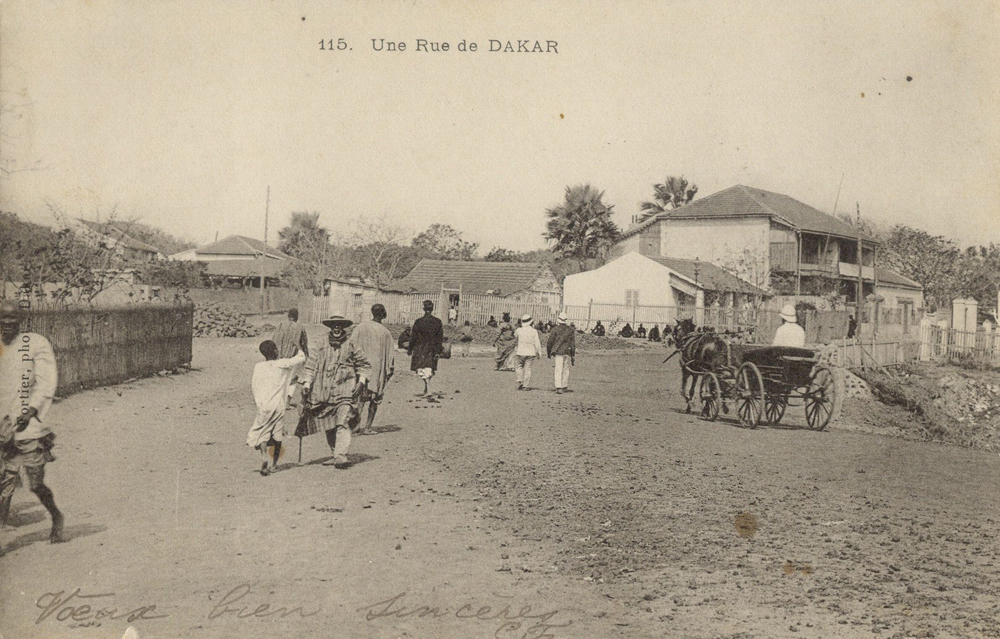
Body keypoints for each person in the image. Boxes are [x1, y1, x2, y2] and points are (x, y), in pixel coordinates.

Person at [0, 300, 63, 554]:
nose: (6, 325)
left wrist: (32, 410)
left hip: (27, 426)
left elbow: (47, 382)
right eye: (2, 320)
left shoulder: (35, 344)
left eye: (11, 320)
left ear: (21, 320)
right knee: (4, 482)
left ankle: (56, 515)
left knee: (35, 484)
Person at [297, 316, 371, 468]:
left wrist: (361, 381)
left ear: (343, 327)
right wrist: (306, 383)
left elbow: (364, 364)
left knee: (342, 421)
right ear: (331, 328)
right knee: (329, 424)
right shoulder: (320, 343)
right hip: (324, 391)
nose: (336, 329)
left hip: (346, 389)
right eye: (334, 326)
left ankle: (341, 455)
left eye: (339, 326)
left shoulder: (351, 344)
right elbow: (310, 365)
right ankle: (334, 453)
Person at [246, 340, 305, 475]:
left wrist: (259, 402)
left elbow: (255, 385)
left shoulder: (258, 367)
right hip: (278, 405)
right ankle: (274, 464)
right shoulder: (281, 364)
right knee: (278, 435)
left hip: (264, 405)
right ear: (275, 351)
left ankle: (264, 458)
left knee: (263, 433)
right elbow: (300, 358)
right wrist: (299, 347)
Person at [350, 304, 395, 435]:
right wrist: (389, 370)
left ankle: (355, 426)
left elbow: (351, 345)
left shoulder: (360, 327)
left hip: (362, 368)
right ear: (383, 314)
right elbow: (390, 355)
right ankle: (368, 427)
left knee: (360, 398)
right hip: (377, 369)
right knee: (374, 399)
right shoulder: (386, 333)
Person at [271, 308, 308, 401]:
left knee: (279, 379)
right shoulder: (299, 327)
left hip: (278, 356)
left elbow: (273, 340)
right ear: (297, 317)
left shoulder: (280, 325)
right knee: (293, 379)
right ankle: (287, 401)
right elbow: (304, 342)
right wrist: (305, 355)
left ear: (288, 316)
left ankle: (277, 399)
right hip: (292, 357)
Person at [408, 300, 444, 396]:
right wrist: (438, 350)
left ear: (423, 309)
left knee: (423, 368)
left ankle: (428, 390)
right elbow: (439, 337)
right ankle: (426, 388)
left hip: (420, 347)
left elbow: (413, 337)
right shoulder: (437, 322)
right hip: (432, 348)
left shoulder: (419, 322)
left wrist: (410, 348)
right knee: (429, 367)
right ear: (432, 309)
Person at [546, 312, 576, 394]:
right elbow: (573, 344)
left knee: (558, 369)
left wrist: (549, 352)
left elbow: (550, 342)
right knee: (566, 369)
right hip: (567, 351)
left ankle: (558, 387)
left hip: (558, 351)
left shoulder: (555, 329)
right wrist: (573, 354)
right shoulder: (570, 330)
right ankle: (564, 385)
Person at [514, 314, 543, 390]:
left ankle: (520, 381)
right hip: (530, 352)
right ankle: (525, 385)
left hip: (520, 351)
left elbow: (515, 336)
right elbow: (537, 343)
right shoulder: (534, 331)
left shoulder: (519, 330)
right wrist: (539, 352)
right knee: (528, 369)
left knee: (519, 367)